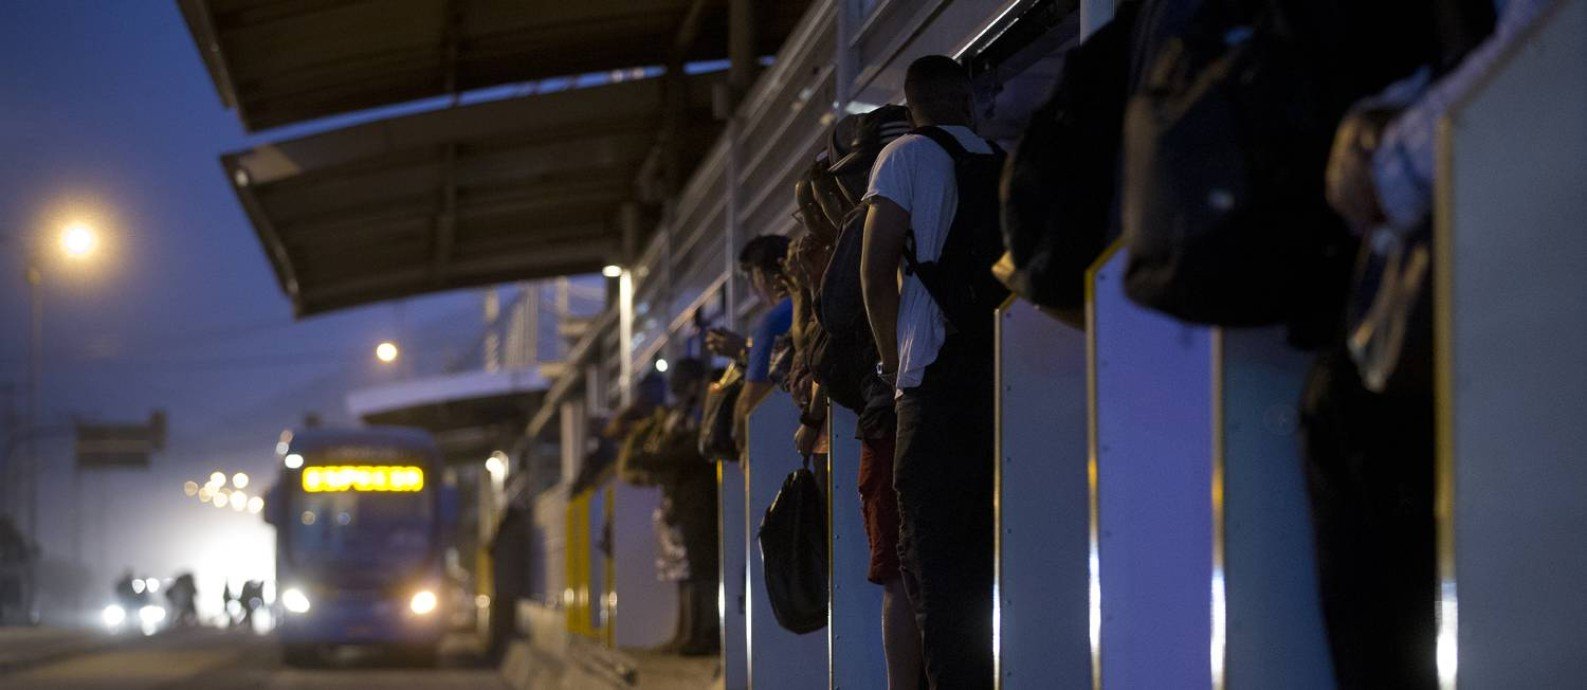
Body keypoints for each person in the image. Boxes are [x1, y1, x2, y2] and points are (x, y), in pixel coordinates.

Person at [860, 55, 1001, 689]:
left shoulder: (904, 157)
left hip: (931, 378)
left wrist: (893, 364)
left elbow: (873, 270)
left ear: (910, 105)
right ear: (968, 100)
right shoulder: (1002, 156)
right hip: (997, 378)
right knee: (991, 550)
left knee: (936, 563)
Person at [705, 234, 794, 447]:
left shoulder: (772, 321)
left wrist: (740, 439)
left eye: (751, 278)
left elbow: (752, 398)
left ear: (760, 275)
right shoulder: (809, 306)